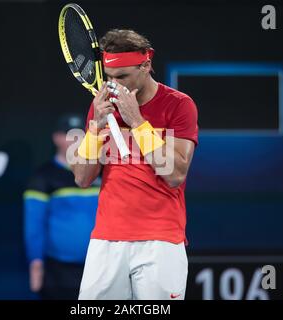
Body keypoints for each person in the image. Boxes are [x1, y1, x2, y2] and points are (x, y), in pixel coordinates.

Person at [69, 29, 199, 300]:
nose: (114, 86)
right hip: (106, 239)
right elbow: (82, 177)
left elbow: (175, 174)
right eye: (109, 78)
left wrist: (137, 121)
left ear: (146, 65)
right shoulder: (102, 105)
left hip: (160, 240)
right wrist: (95, 130)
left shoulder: (179, 105)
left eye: (123, 77)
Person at [23, 113, 100, 299]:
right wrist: (36, 264)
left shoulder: (101, 171)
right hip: (58, 271)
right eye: (68, 134)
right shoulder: (43, 176)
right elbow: (34, 225)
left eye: (80, 133)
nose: (75, 139)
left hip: (99, 266)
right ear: (56, 138)